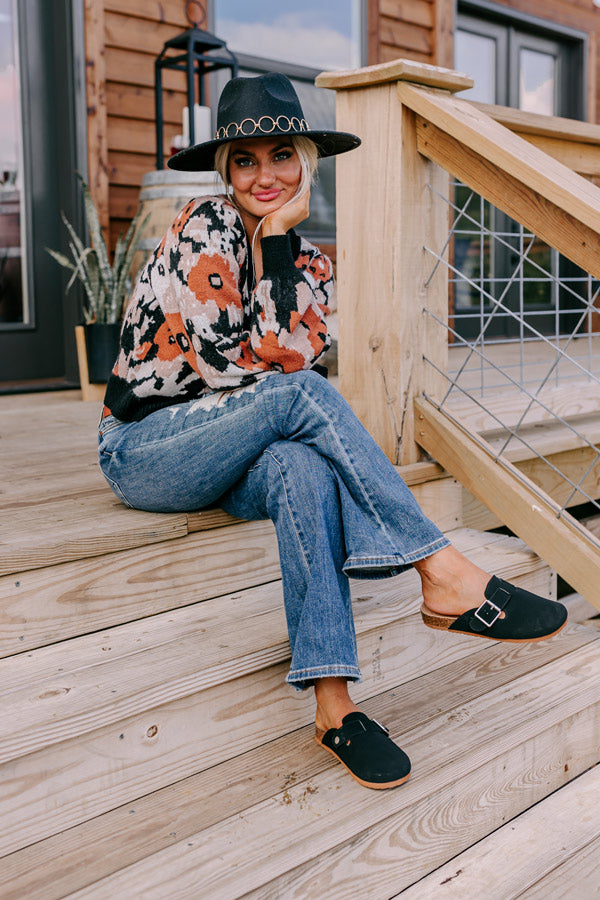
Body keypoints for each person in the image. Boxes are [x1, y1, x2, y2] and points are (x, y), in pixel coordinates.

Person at [98, 73, 568, 790]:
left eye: (281, 155)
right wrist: (268, 251)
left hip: (238, 450)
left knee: (303, 466)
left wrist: (278, 246)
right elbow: (229, 368)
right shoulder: (204, 225)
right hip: (147, 450)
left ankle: (333, 705)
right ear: (225, 171)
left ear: (306, 163)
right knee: (299, 398)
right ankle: (441, 572)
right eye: (245, 160)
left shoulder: (310, 263)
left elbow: (293, 360)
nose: (265, 176)